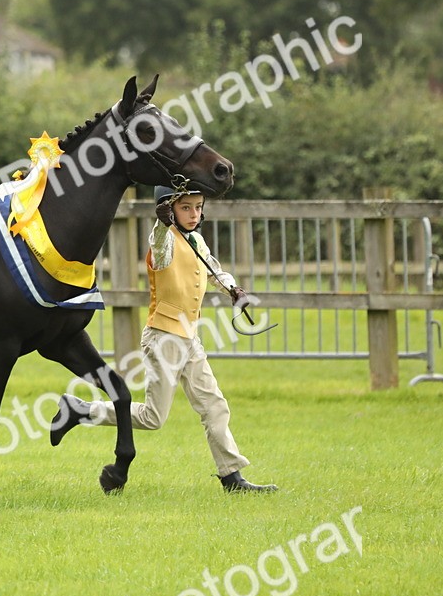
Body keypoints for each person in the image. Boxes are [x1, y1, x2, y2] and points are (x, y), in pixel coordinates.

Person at [50, 184, 277, 493]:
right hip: (164, 338)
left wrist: (233, 289)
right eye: (186, 207)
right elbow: (159, 248)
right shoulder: (164, 240)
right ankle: (79, 410)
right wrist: (161, 223)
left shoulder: (196, 239)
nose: (194, 213)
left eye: (198, 207)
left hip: (189, 337)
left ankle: (232, 477)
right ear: (170, 209)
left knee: (214, 405)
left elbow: (214, 271)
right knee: (153, 417)